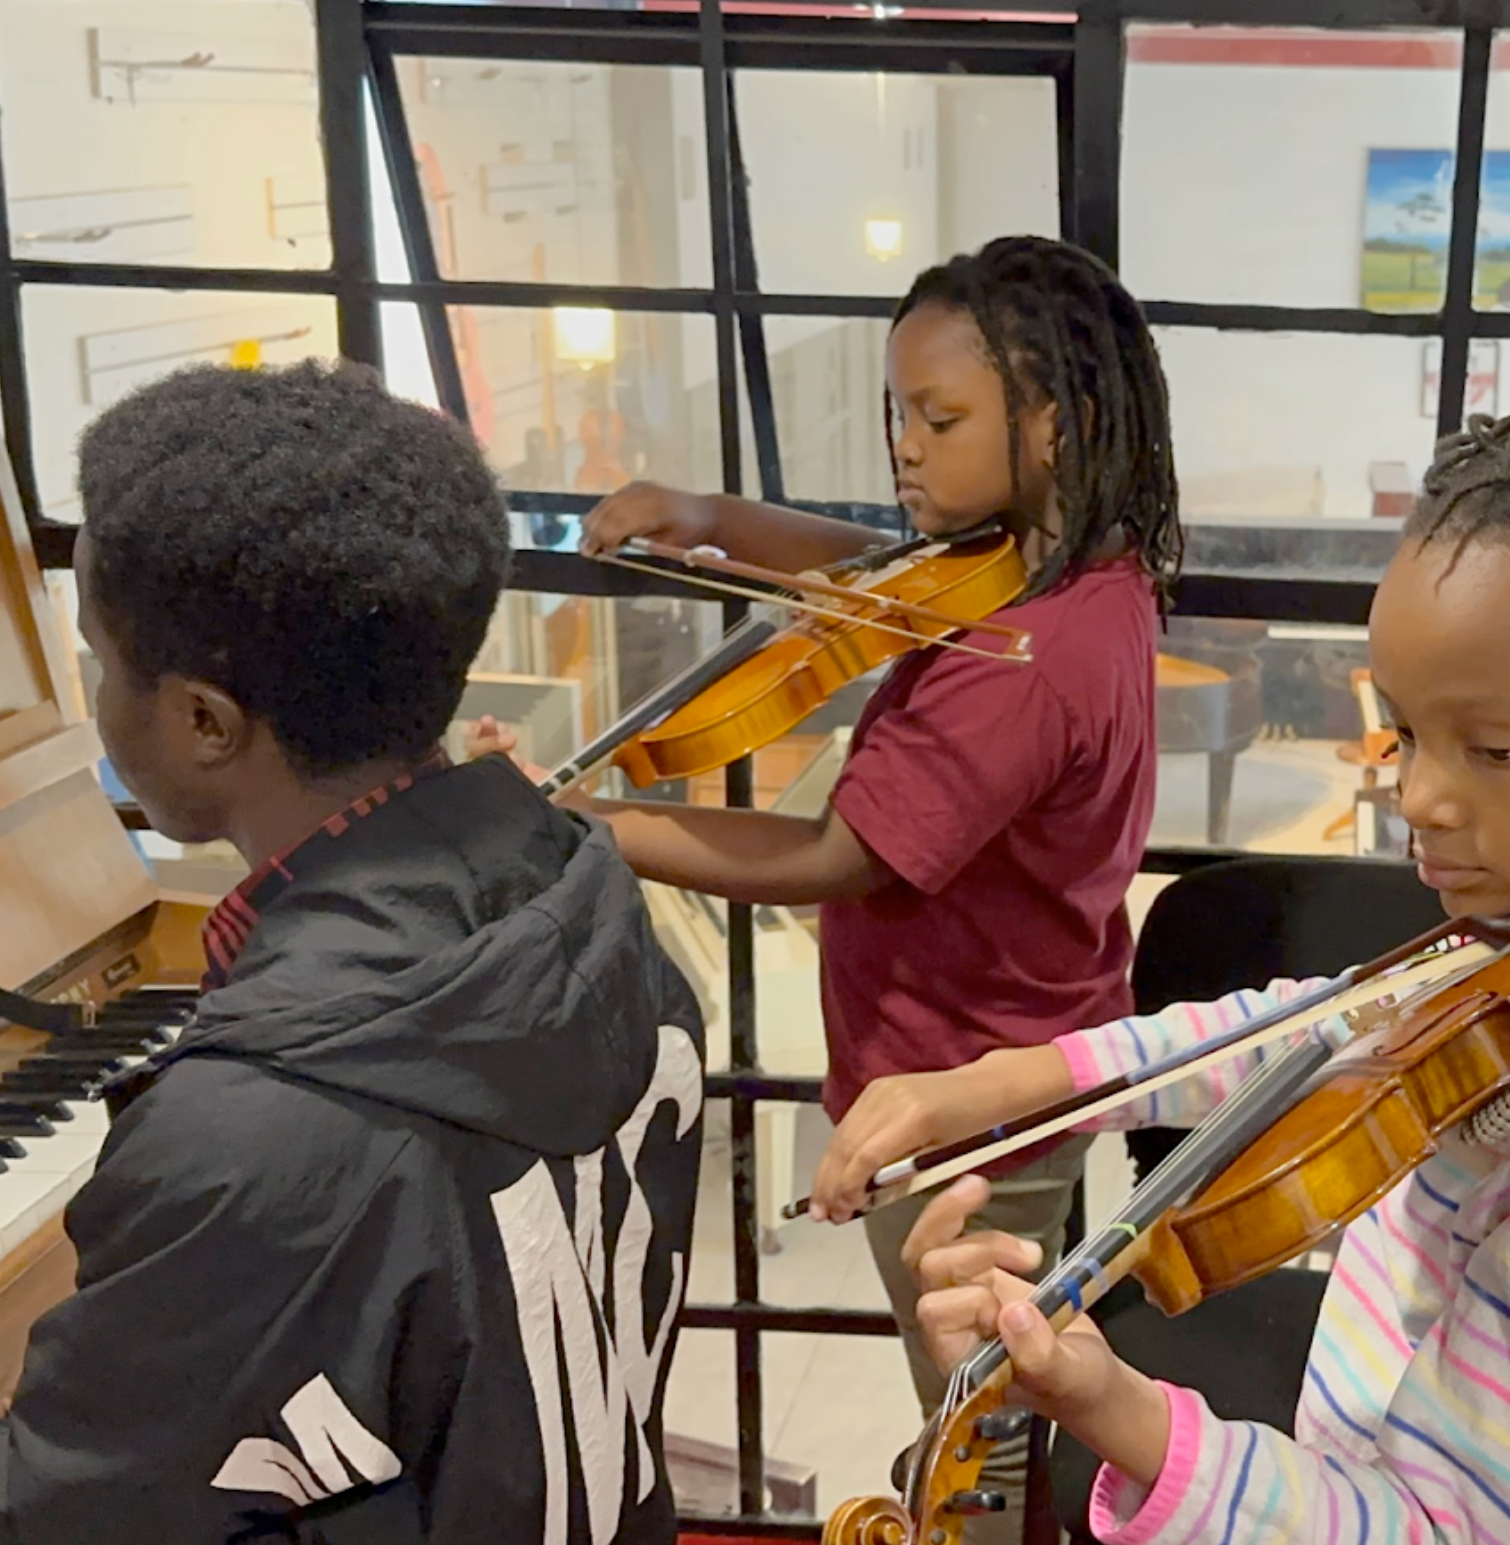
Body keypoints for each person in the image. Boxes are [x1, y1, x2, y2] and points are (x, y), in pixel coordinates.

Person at [817, 388, 1510, 1544]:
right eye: (1400, 732)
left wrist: (1107, 1405)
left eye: (1491, 751)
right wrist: (1020, 1080)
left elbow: (1433, 1530)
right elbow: (1328, 1027)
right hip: (1369, 1411)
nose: (1419, 797)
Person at [0, 362, 705, 1545]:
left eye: (96, 658)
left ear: (204, 721)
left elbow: (34, 1528)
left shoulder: (258, 1133)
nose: (91, 691)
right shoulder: (588, 905)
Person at [481, 234, 1179, 1541]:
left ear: (1063, 421)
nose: (906, 446)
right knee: (988, 1381)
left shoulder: (1024, 658)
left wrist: (589, 820)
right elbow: (877, 576)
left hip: (965, 1093)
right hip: (1013, 1045)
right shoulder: (1076, 568)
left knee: (979, 1413)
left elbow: (828, 857)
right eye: (894, 412)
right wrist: (714, 519)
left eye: (942, 416)